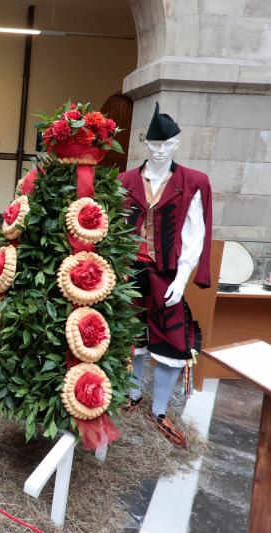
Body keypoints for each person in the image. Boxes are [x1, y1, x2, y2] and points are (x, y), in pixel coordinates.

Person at [119, 103, 213, 447]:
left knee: (173, 342)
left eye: (167, 145)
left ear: (176, 143)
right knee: (131, 338)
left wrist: (181, 278)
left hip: (166, 274)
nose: (160, 151)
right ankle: (132, 396)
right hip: (129, 272)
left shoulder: (193, 182)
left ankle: (159, 410)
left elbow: (194, 234)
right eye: (155, 145)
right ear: (145, 143)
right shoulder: (125, 181)